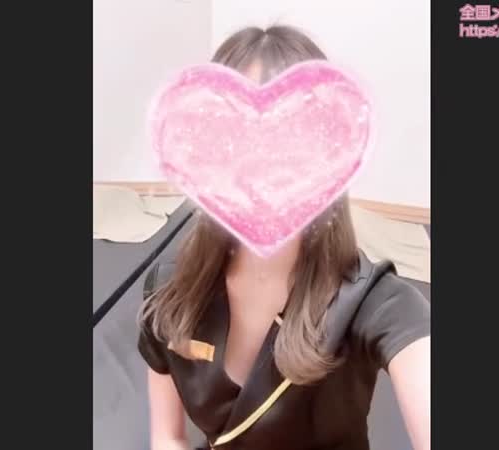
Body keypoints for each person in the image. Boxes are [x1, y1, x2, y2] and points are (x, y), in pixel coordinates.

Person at [137, 25, 430, 450]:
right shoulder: (169, 289)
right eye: (238, 137)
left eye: (288, 138)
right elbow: (167, 436)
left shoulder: (378, 303)